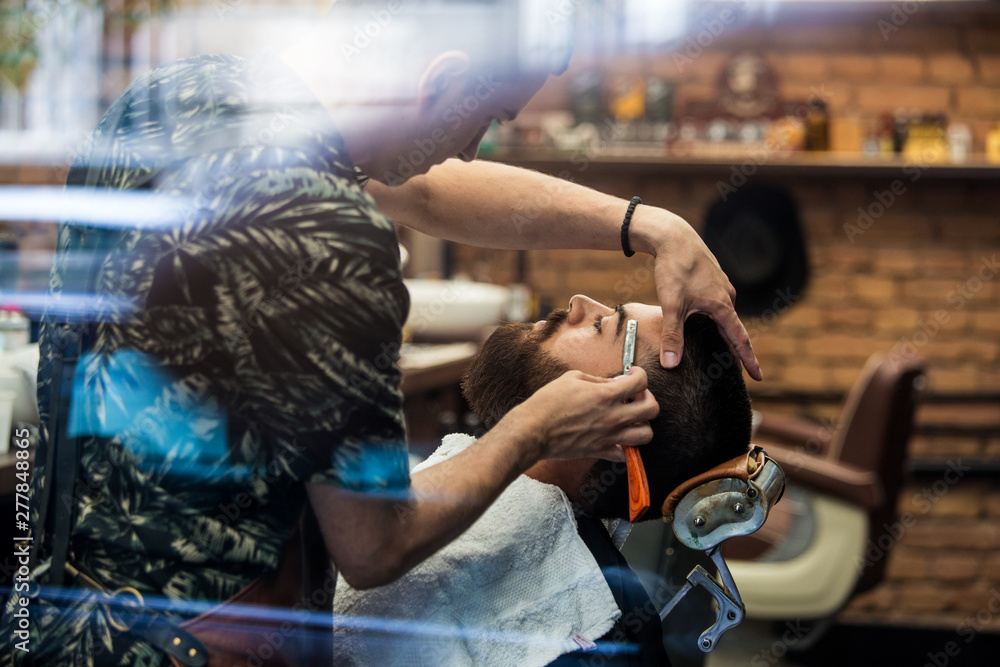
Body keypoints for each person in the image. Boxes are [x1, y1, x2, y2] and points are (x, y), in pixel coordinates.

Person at [0, 3, 760, 665]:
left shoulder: (185, 93)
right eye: (487, 117)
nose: (471, 147)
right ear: (443, 77)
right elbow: (373, 546)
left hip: (46, 609)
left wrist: (647, 225)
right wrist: (529, 430)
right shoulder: (334, 233)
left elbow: (421, 186)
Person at [333, 296, 753, 666]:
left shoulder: (590, 631)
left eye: (601, 325)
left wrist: (527, 431)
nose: (578, 303)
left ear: (620, 415)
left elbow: (365, 542)